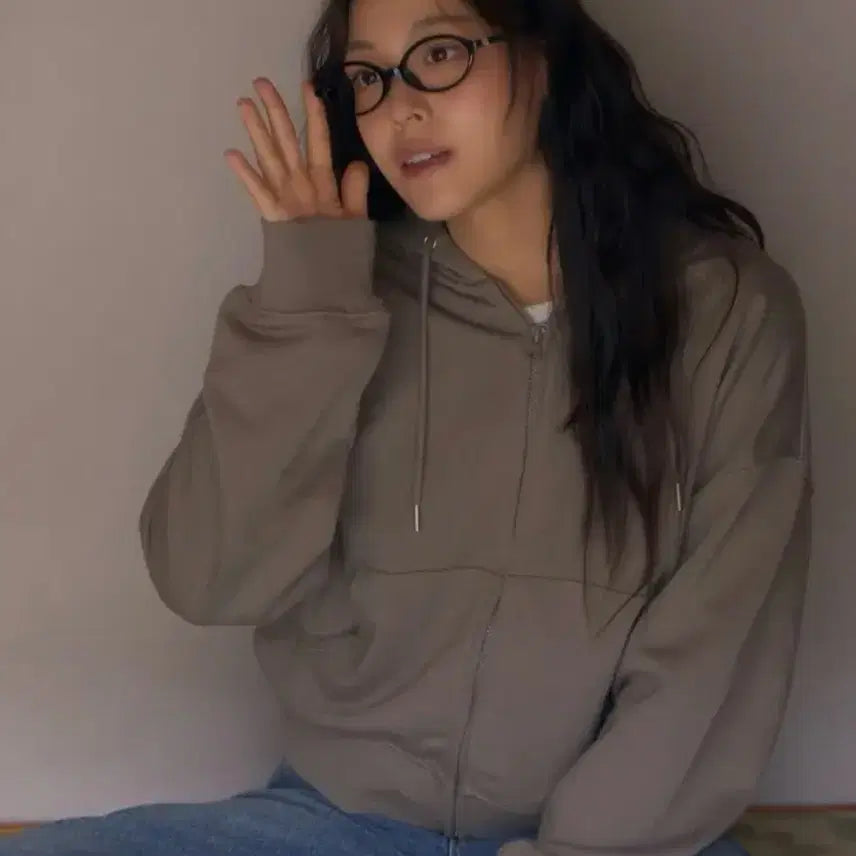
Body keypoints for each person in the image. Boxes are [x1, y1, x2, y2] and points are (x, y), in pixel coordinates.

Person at [3, 0, 812, 854]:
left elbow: (715, 649)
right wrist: (308, 303)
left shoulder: (727, 312)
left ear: (542, 56)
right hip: (338, 824)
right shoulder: (344, 294)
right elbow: (206, 579)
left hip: (622, 846)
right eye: (369, 76)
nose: (400, 107)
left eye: (440, 53)